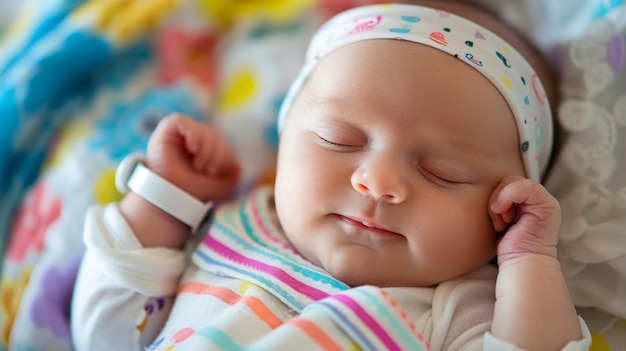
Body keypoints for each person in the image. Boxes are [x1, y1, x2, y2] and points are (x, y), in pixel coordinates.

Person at [71, 2, 592, 350]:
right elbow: (106, 334)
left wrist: (529, 262)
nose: (377, 180)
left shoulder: (456, 309)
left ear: (503, 213)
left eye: (443, 172)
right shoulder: (227, 224)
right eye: (339, 140)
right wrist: (165, 200)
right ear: (287, 138)